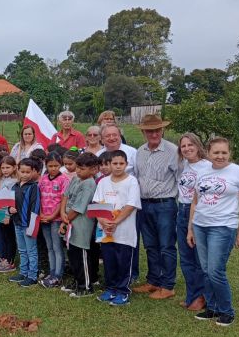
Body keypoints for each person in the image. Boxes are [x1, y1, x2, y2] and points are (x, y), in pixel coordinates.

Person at [187, 137, 239, 327]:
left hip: (223, 227)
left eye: (224, 152)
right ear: (208, 153)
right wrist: (190, 228)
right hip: (201, 225)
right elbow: (195, 201)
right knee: (205, 270)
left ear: (229, 153)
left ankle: (227, 311)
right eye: (216, 152)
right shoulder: (202, 172)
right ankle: (212, 307)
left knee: (215, 271)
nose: (220, 156)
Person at [132, 114, 179, 300]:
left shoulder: (173, 151)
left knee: (166, 245)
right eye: (150, 130)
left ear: (162, 130)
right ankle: (153, 281)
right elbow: (137, 176)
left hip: (165, 204)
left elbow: (181, 178)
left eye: (157, 130)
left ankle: (168, 285)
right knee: (150, 245)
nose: (154, 134)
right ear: (144, 132)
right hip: (145, 204)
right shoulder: (140, 151)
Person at [93, 150, 142, 306]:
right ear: (109, 164)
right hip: (106, 231)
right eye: (115, 163)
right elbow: (96, 204)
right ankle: (110, 288)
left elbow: (131, 205)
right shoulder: (103, 182)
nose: (118, 166)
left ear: (126, 164)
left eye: (121, 163)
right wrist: (102, 220)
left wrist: (116, 222)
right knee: (109, 261)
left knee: (123, 261)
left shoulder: (131, 181)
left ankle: (123, 290)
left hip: (124, 230)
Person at [176, 133, 212, 311]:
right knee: (185, 258)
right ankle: (192, 294)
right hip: (181, 210)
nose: (187, 148)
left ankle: (202, 296)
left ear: (198, 146)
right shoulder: (183, 165)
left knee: (199, 257)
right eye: (183, 146)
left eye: (191, 145)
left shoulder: (207, 166)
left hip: (199, 213)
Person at [59, 152, 99, 297]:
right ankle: (77, 280)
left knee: (81, 255)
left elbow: (78, 208)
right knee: (73, 254)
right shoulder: (76, 179)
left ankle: (86, 286)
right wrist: (63, 213)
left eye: (82, 169)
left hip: (81, 225)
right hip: (70, 222)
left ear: (93, 170)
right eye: (78, 167)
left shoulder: (89, 184)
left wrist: (66, 218)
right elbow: (65, 195)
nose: (78, 171)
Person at [7, 158, 41, 287]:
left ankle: (32, 276)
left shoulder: (33, 187)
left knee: (31, 250)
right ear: (18, 171)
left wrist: (31, 226)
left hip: (28, 225)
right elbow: (10, 203)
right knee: (22, 250)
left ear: (33, 172)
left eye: (28, 172)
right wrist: (10, 210)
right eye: (22, 171)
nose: (25, 174)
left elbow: (35, 207)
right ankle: (23, 272)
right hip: (17, 223)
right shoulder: (14, 186)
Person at [38, 152, 69, 288]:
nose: (53, 168)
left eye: (56, 165)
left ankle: (58, 275)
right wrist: (41, 215)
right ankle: (51, 272)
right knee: (49, 247)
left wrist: (52, 216)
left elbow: (63, 200)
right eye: (50, 166)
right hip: (44, 218)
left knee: (57, 247)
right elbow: (39, 197)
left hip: (56, 219)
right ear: (46, 165)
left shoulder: (64, 180)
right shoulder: (43, 179)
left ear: (60, 165)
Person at [0, 155, 18, 273]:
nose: (5, 170)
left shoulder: (15, 182)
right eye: (3, 167)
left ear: (14, 167)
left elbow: (12, 201)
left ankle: (10, 262)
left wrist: (7, 215)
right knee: (1, 237)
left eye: (8, 167)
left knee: (9, 237)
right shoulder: (1, 179)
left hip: (7, 215)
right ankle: (4, 259)